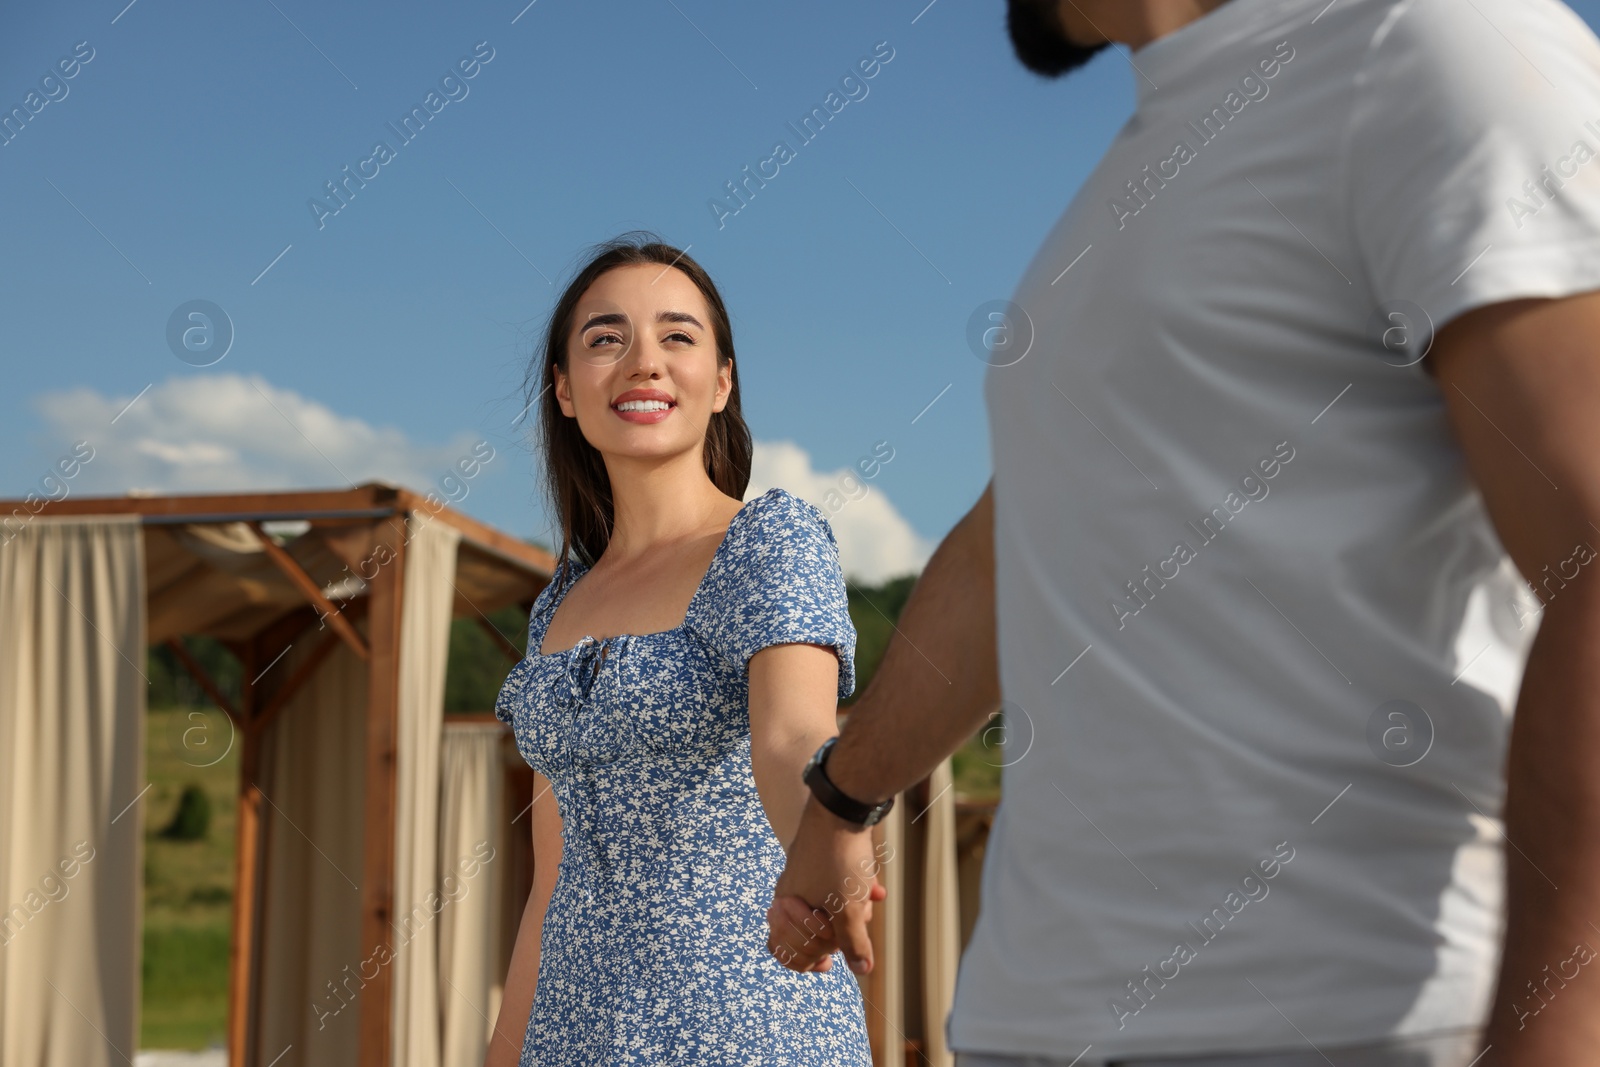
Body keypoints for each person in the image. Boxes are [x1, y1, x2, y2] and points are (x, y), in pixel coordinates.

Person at [765, 0, 1600, 1065]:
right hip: (1031, 1027)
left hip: (1357, 1020)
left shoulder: (1430, 44)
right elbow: (1006, 554)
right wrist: (841, 798)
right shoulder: (1111, 202)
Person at [486, 234, 876, 1066]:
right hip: (572, 1039)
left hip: (749, 1026)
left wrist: (832, 824)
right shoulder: (558, 604)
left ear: (722, 380)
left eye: (677, 335)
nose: (642, 362)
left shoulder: (769, 539)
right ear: (563, 389)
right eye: (604, 338)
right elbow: (550, 879)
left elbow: (789, 737)